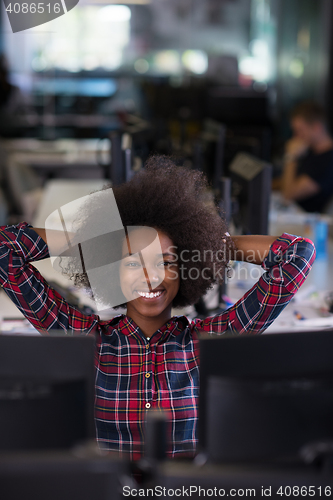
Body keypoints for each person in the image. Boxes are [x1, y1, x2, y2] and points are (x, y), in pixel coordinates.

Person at [0, 155, 315, 460]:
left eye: (166, 262)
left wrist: (210, 244)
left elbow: (297, 254)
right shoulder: (83, 339)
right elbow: (5, 250)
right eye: (132, 262)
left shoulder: (211, 342)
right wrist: (90, 240)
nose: (150, 277)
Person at [281, 101, 333, 213]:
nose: (296, 136)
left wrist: (291, 157)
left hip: (309, 224)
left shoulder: (328, 161)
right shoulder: (311, 151)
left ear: (316, 127)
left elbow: (289, 194)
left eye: (300, 130)